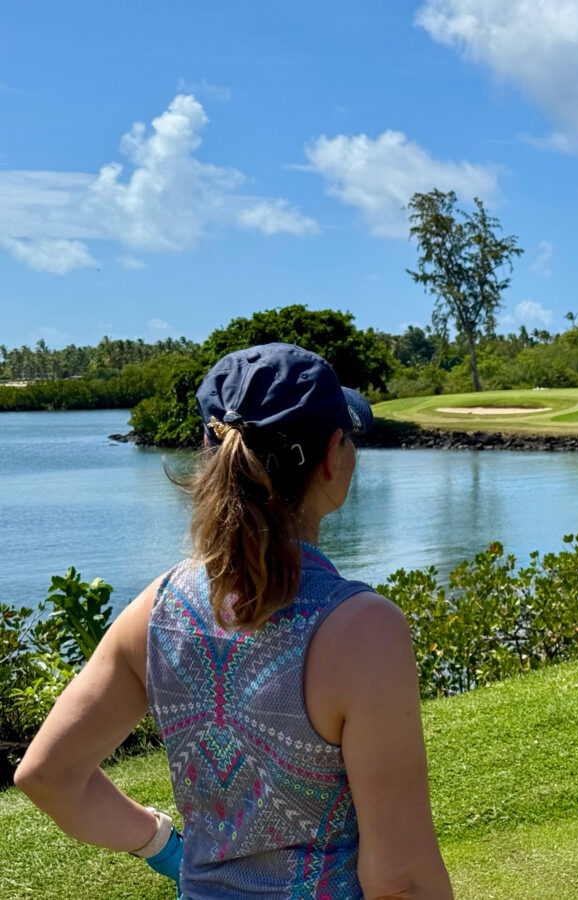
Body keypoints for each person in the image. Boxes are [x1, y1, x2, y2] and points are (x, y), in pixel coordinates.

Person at [15, 343, 453, 899]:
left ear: (211, 451)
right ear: (332, 457)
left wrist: (160, 845)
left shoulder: (157, 609)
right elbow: (403, 881)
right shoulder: (363, 632)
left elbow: (47, 776)